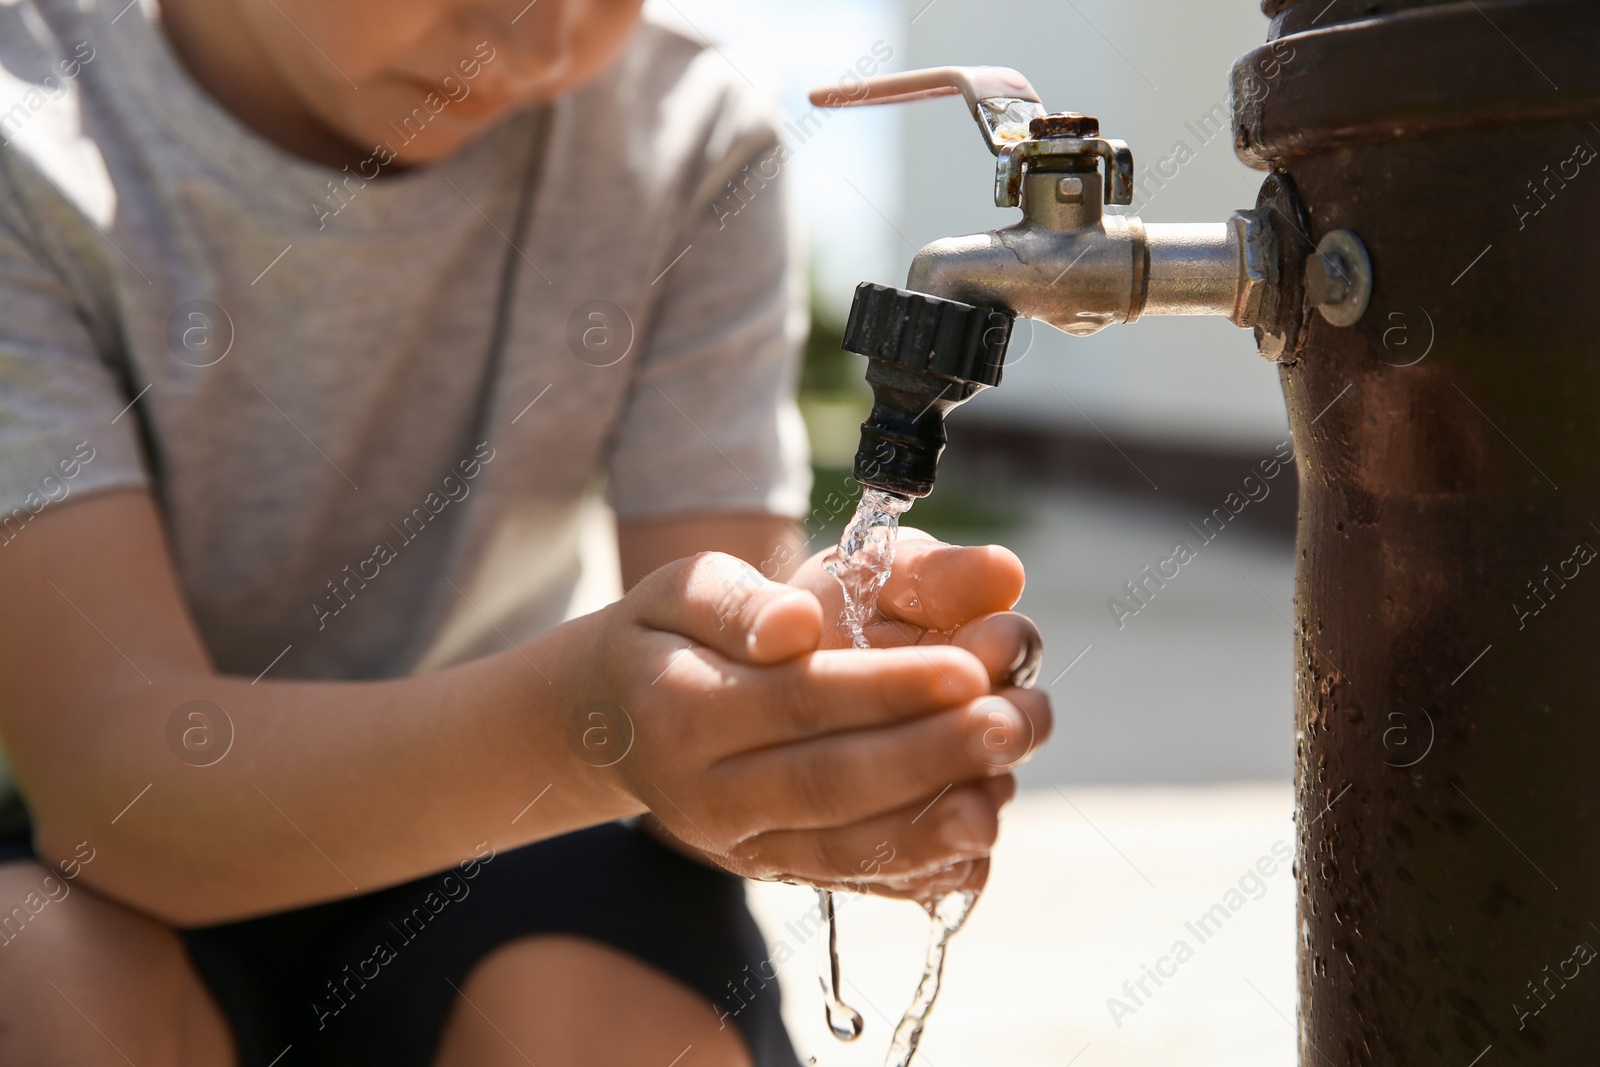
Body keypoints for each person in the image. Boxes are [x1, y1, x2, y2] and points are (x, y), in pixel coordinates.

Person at [0, 0, 1052, 1064]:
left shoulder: (677, 127)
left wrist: (783, 714)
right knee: (39, 974)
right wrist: (589, 725)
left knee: (610, 1026)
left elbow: (728, 625)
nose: (543, 46)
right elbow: (114, 793)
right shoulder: (31, 129)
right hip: (138, 853)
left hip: (505, 827)